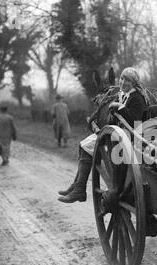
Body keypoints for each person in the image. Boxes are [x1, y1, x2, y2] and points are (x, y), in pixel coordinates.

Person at [58, 67, 149, 203]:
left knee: (86, 146)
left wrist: (120, 107)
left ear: (134, 83)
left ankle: (79, 189)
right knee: (85, 144)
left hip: (128, 139)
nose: (123, 83)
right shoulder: (124, 95)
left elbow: (135, 121)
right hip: (118, 135)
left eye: (128, 80)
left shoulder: (137, 98)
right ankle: (77, 186)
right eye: (122, 79)